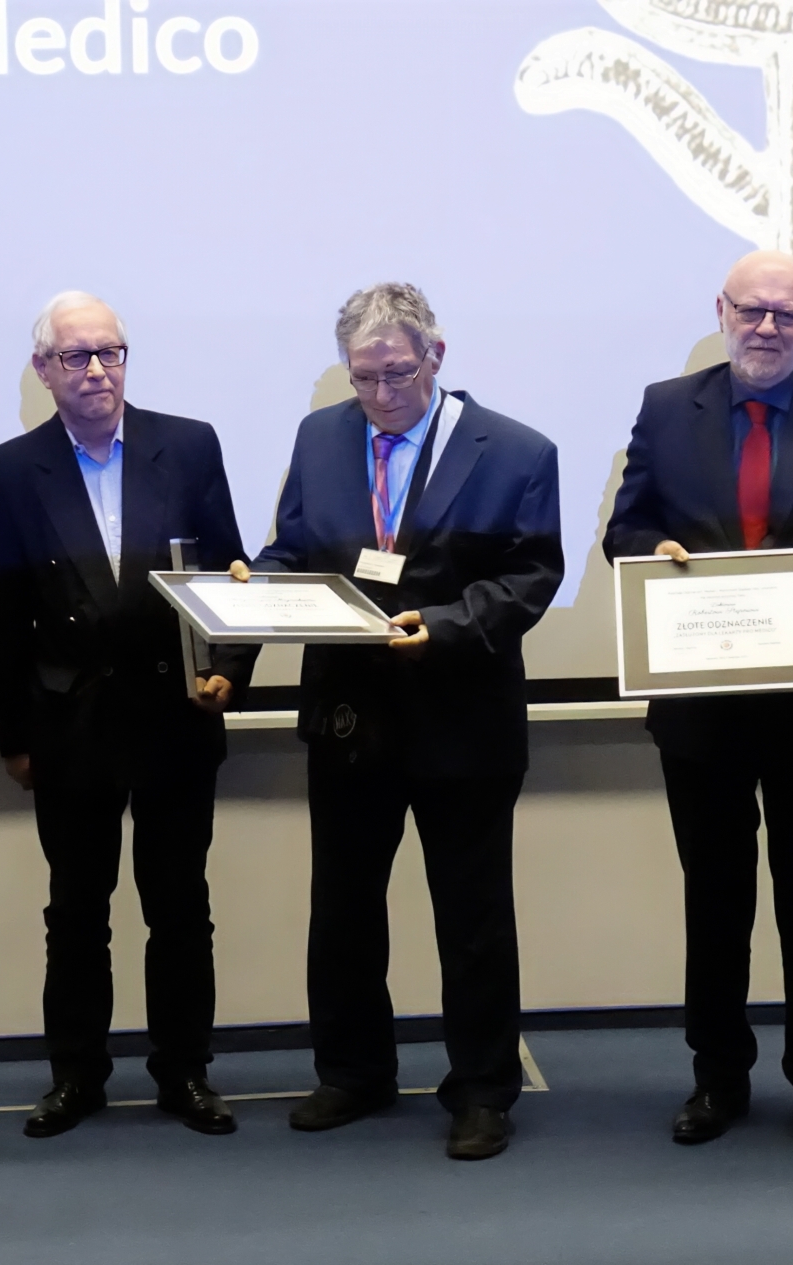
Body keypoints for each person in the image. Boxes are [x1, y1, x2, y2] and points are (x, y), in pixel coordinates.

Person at [231, 282, 563, 1160]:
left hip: (463, 719)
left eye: (398, 374)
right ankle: (353, 1072)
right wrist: (251, 596)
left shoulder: (517, 451)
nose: (380, 395)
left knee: (473, 917)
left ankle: (482, 1089)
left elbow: (532, 577)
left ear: (436, 357)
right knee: (342, 909)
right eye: (363, 377)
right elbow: (293, 548)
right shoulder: (320, 436)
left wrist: (444, 627)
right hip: (349, 717)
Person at [603, 250, 793, 1154]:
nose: (768, 328)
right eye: (753, 311)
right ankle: (718, 1078)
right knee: (716, 906)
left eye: (787, 314)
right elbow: (626, 528)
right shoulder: (669, 407)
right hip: (701, 713)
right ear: (722, 310)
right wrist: (652, 552)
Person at [0, 292, 258, 1139]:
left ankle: (186, 1072)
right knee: (75, 912)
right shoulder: (9, 468)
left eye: (111, 353)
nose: (97, 371)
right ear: (44, 370)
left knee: (180, 908)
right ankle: (76, 1077)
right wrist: (16, 737)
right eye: (76, 356)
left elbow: (233, 577)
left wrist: (229, 674)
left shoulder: (189, 445)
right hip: (70, 724)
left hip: (176, 715)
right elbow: (4, 613)